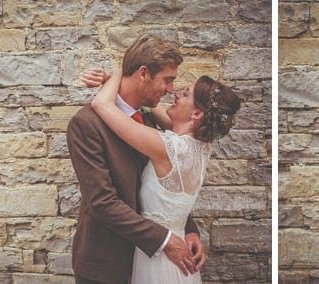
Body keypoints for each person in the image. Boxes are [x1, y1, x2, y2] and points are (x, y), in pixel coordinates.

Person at [67, 35, 204, 284]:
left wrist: (187, 228)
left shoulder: (149, 119)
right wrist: (164, 240)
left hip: (152, 266)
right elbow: (102, 202)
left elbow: (163, 186)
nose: (171, 89)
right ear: (143, 74)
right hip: (107, 264)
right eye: (168, 80)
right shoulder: (86, 124)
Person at [86, 66, 240, 283]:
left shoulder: (168, 147)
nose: (175, 93)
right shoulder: (201, 144)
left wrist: (125, 68)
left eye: (185, 94)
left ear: (196, 114)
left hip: (160, 256)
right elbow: (146, 106)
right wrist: (116, 82)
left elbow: (101, 104)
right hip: (179, 250)